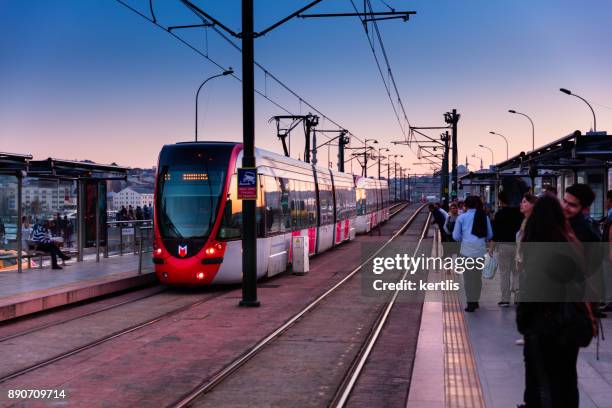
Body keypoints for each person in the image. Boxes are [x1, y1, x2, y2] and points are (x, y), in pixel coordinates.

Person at [516, 195, 586, 408]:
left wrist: (524, 323)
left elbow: (531, 297)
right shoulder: (572, 244)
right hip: (570, 326)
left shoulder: (539, 252)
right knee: (566, 381)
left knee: (541, 384)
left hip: (544, 329)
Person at [562, 183, 606, 318]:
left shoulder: (584, 232)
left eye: (572, 205)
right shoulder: (564, 224)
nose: (565, 207)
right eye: (564, 201)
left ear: (585, 209)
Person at [453, 195, 493, 312]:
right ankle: (475, 301)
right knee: (477, 277)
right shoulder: (484, 217)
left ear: (465, 205)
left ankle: (470, 302)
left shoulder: (462, 218)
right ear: (477, 205)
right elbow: (490, 235)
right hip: (480, 252)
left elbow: (455, 236)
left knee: (468, 278)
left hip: (466, 252)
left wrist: (464, 238)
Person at [490, 191, 524, 307]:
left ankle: (505, 300)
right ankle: (518, 298)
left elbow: (495, 234)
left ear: (501, 200)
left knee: (504, 273)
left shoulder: (499, 214)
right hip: (519, 246)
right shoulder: (520, 213)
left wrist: (491, 248)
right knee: (517, 272)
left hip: (504, 246)